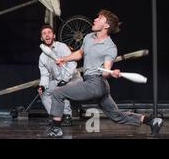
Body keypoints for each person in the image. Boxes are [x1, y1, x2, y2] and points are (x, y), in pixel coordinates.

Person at [47, 9, 164, 137]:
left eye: (100, 18)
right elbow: (80, 53)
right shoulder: (88, 37)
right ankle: (152, 121)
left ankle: (56, 129)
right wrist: (64, 59)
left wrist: (111, 73)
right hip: (96, 85)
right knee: (116, 116)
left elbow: (106, 70)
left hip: (95, 84)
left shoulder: (110, 47)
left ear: (106, 25)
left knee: (58, 92)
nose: (95, 19)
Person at [38, 25, 79, 126]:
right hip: (58, 81)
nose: (47, 35)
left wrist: (65, 80)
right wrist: (42, 86)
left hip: (72, 78)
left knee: (60, 89)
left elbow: (72, 64)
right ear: (41, 38)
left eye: (49, 33)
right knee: (44, 93)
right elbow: (44, 75)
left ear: (54, 36)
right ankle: (55, 116)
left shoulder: (62, 47)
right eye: (44, 33)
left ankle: (67, 116)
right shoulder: (42, 57)